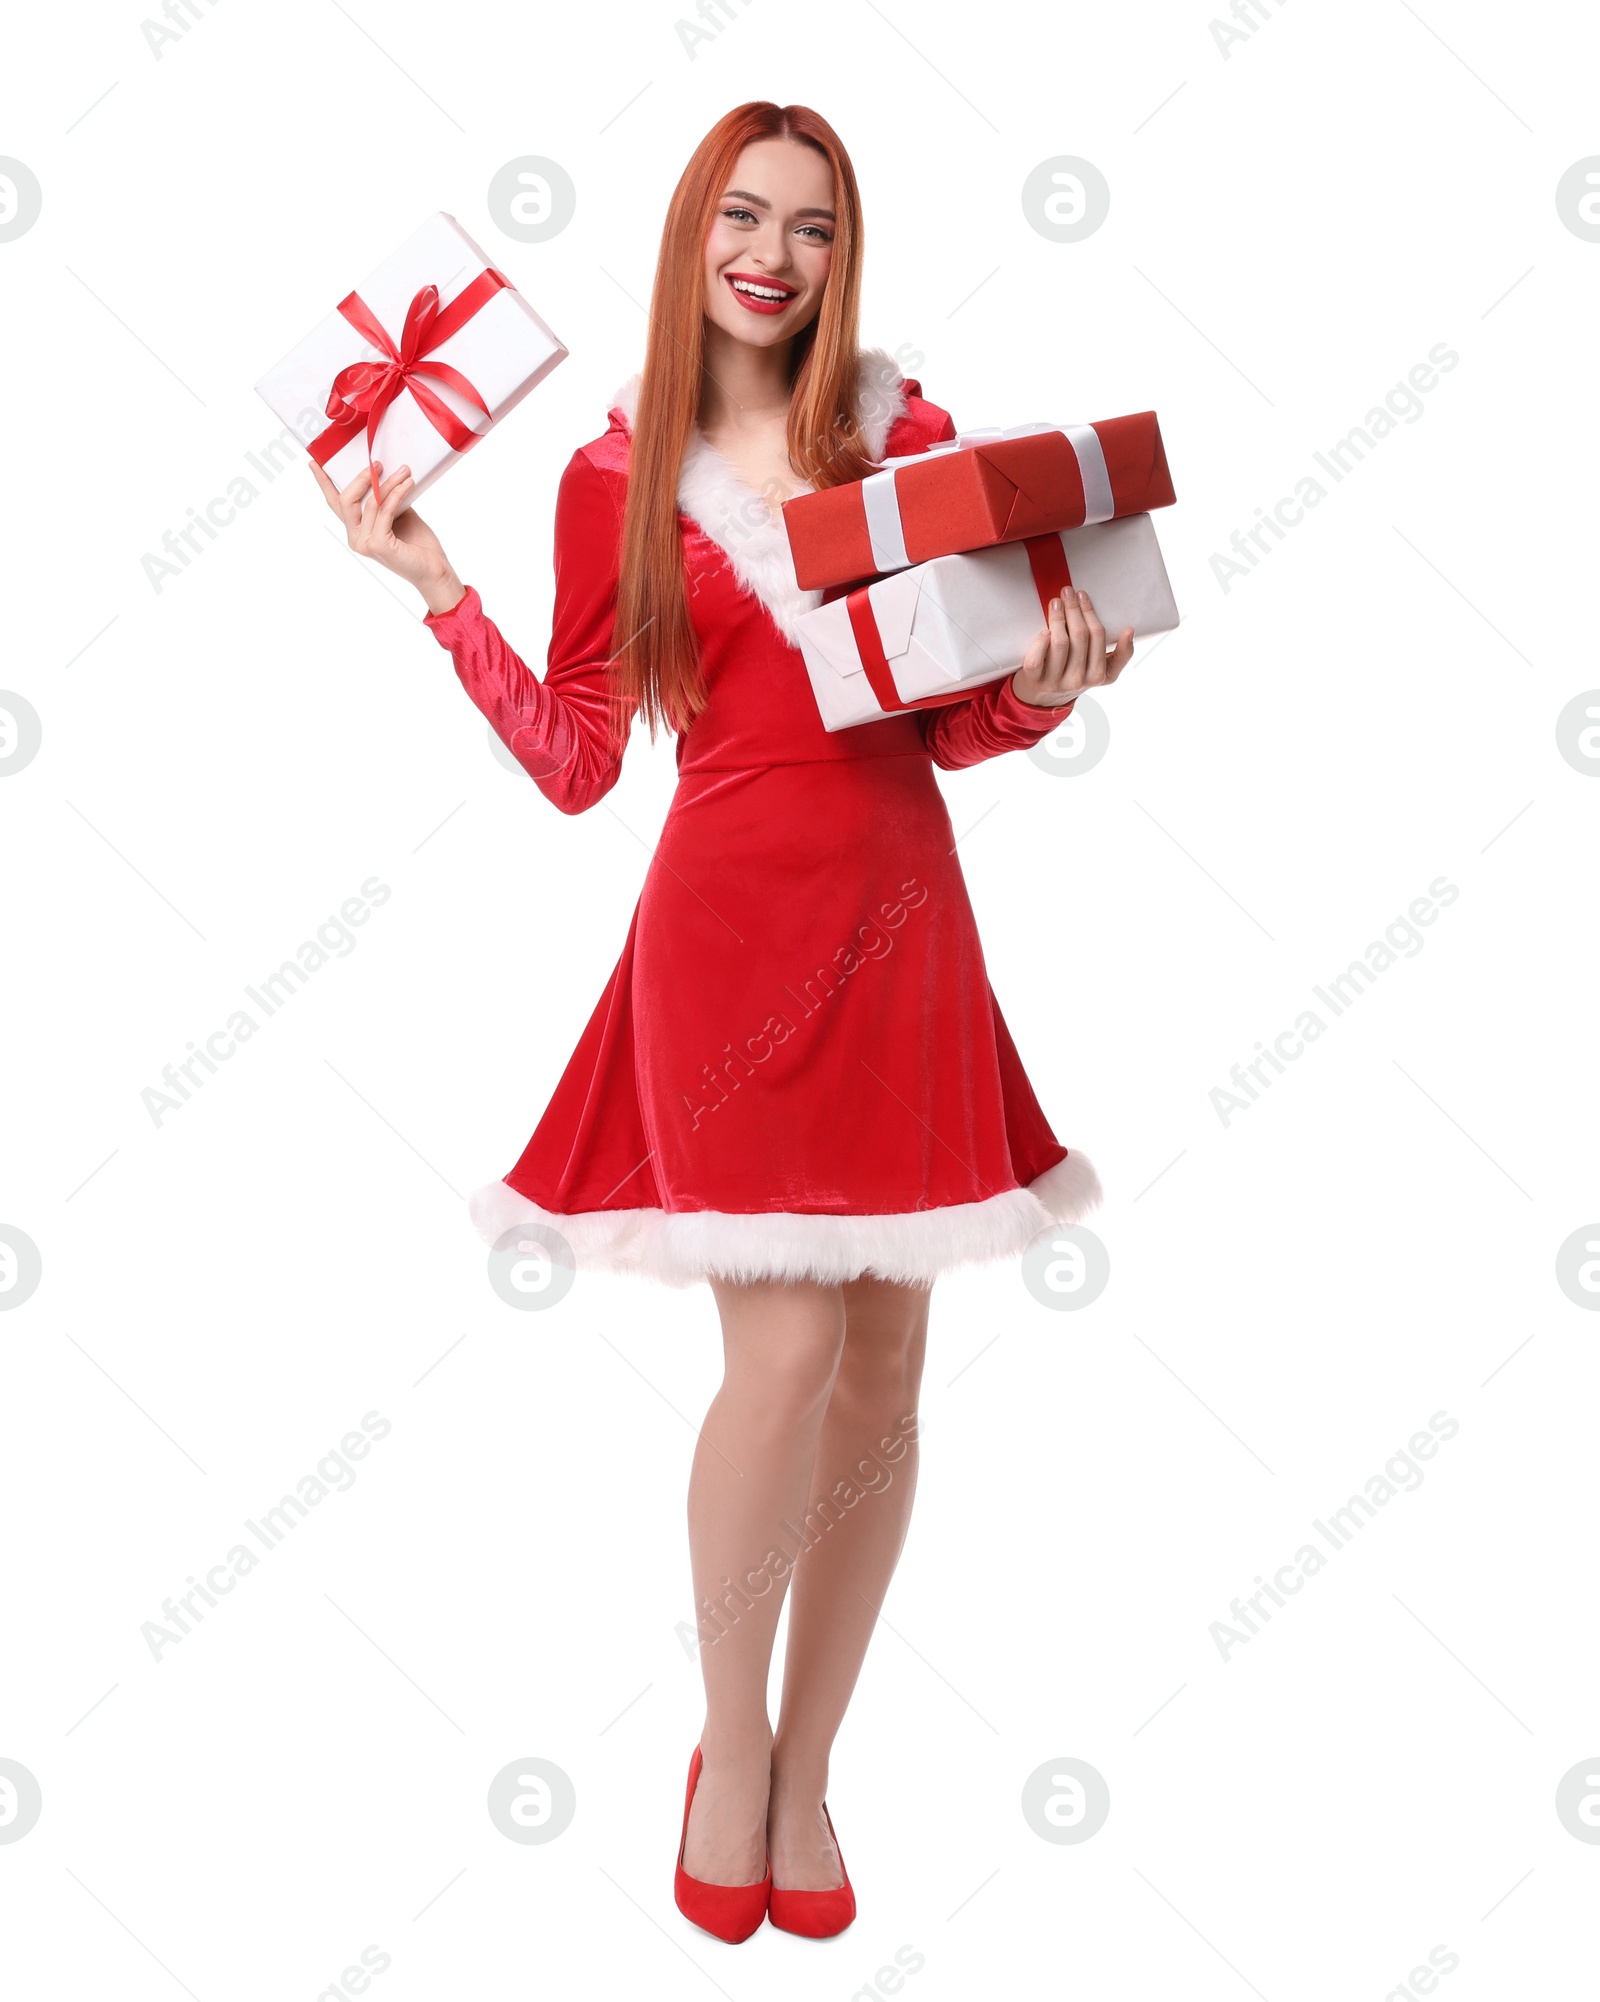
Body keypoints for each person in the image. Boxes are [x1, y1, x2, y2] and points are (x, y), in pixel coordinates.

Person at [314, 99, 1135, 1944]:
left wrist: (1051, 692)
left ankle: (816, 1761)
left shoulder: (905, 446)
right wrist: (439, 592)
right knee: (776, 1357)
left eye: (816, 229)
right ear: (693, 236)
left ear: (848, 260)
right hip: (723, 941)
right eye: (744, 216)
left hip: (903, 919)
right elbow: (584, 763)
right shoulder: (613, 482)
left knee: (891, 1369)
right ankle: (729, 1744)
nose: (775, 253)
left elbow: (944, 722)